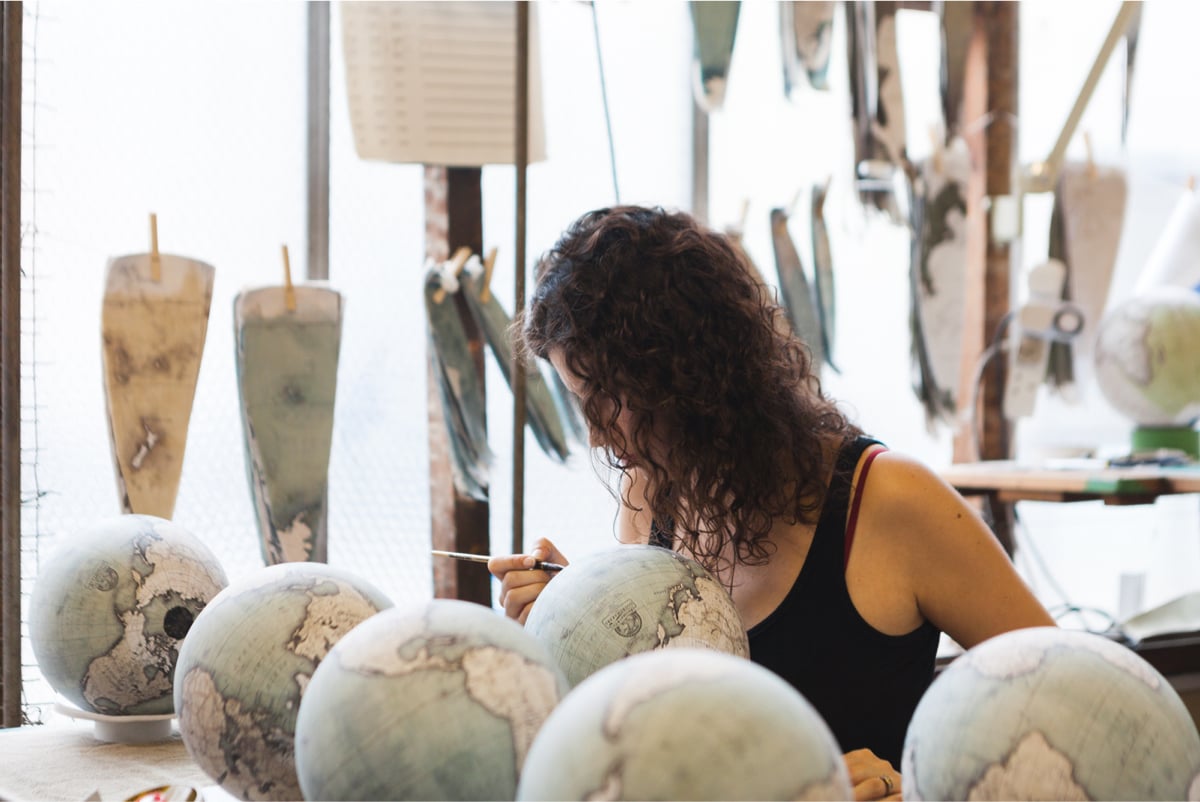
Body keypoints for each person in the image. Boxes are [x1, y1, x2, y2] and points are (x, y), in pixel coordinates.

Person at [489, 205, 1054, 801]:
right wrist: (579, 619)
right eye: (581, 402)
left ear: (685, 377)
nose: (597, 436)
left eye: (604, 399)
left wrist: (907, 788)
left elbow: (1076, 705)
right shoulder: (652, 494)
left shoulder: (890, 502)